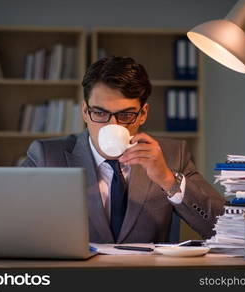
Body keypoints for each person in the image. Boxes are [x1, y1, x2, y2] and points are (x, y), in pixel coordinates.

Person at [21, 56, 225, 244]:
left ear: (143, 114)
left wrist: (168, 180)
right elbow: (8, 223)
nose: (113, 124)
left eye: (126, 115)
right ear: (85, 111)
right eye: (100, 113)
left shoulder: (171, 156)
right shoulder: (47, 157)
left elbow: (224, 227)